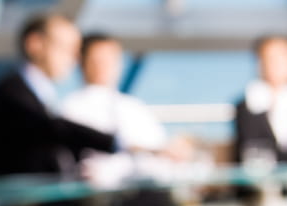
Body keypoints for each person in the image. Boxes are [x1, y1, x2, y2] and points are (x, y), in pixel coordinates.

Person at [0, 12, 118, 178]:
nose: (75, 59)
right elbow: (51, 128)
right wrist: (116, 143)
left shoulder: (35, 92)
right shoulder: (12, 92)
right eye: (67, 48)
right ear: (35, 44)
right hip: (22, 196)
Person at [60, 32, 191, 190]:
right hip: (104, 197)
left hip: (149, 190)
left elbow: (163, 152)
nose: (105, 67)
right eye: (98, 60)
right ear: (82, 63)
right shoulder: (72, 108)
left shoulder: (134, 107)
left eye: (111, 60)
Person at [233, 35, 287, 165]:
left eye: (282, 58)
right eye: (269, 58)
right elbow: (253, 152)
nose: (275, 64)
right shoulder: (247, 106)